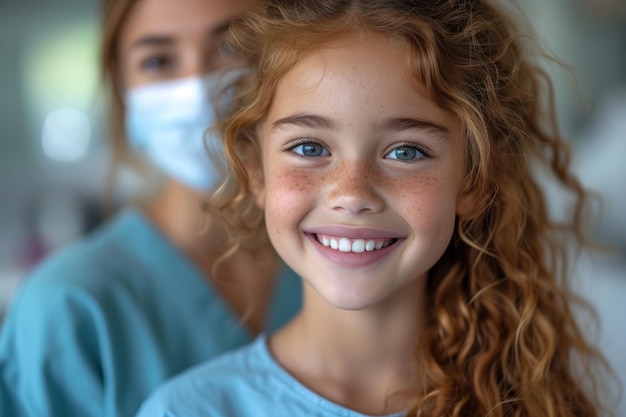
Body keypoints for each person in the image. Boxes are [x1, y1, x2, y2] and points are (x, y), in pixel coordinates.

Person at [135, 0, 615, 416]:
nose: (352, 193)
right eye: (308, 148)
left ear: (472, 181)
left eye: (405, 152)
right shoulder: (185, 410)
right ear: (256, 173)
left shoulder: (531, 399)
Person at [0, 0, 301, 416]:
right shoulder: (68, 310)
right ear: (122, 86)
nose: (198, 87)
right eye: (158, 60)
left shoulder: (349, 256)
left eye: (235, 45)